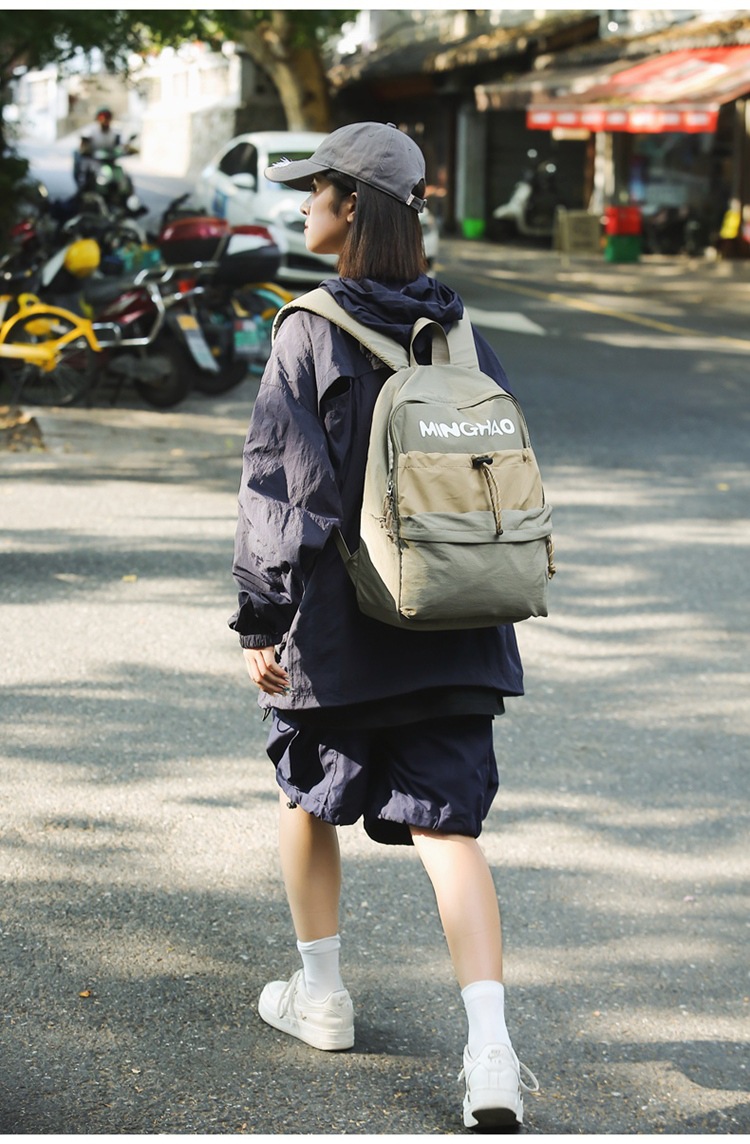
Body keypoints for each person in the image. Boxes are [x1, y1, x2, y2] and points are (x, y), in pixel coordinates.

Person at [228, 121, 538, 1130]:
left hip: (341, 628)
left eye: (314, 188)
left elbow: (283, 491)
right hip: (457, 618)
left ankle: (322, 995)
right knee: (450, 828)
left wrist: (261, 618)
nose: (301, 204)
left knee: (305, 796)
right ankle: (491, 1054)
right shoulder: (463, 333)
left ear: (352, 205)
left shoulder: (308, 328)